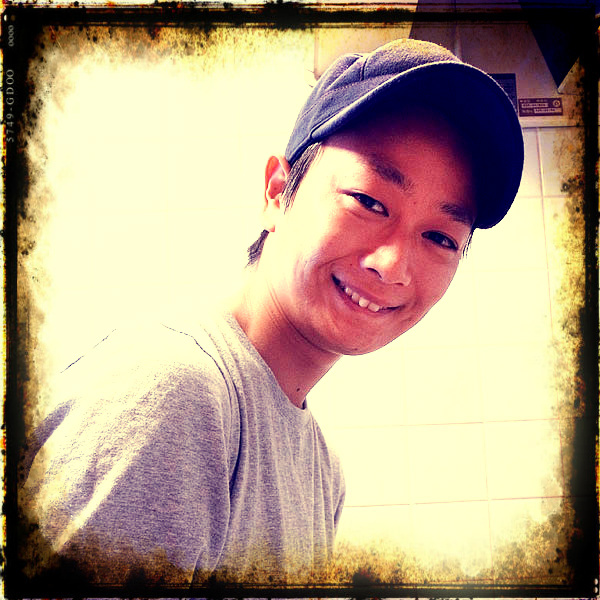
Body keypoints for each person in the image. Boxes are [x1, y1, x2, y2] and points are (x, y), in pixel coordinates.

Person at [18, 38, 523, 592]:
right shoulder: (176, 395)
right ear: (277, 193)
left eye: (440, 238)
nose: (393, 265)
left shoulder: (321, 471)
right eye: (369, 201)